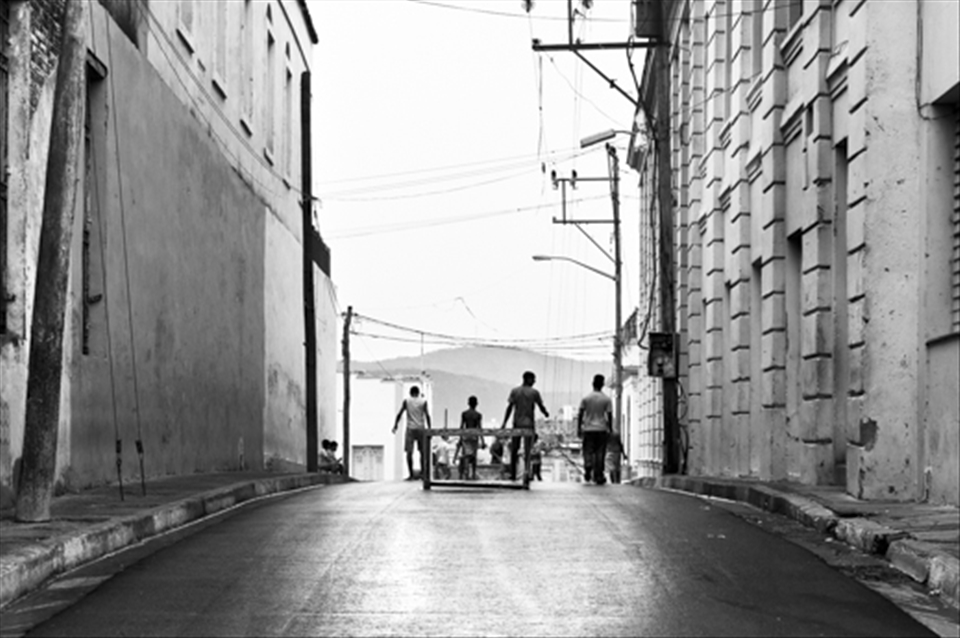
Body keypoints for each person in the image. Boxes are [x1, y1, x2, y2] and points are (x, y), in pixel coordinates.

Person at [501, 371, 550, 481]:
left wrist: (504, 422)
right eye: (533, 379)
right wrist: (546, 413)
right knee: (528, 451)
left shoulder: (515, 391)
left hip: (517, 423)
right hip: (529, 424)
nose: (534, 381)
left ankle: (513, 474)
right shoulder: (534, 393)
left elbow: (510, 408)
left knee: (514, 449)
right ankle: (527, 473)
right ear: (527, 379)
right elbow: (541, 406)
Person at [578, 374, 612, 486]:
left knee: (588, 450)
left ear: (593, 384)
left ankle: (588, 465)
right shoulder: (606, 399)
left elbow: (580, 414)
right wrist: (610, 428)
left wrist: (579, 428)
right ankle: (598, 475)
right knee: (600, 452)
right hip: (601, 429)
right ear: (602, 385)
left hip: (588, 429)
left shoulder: (586, 398)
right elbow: (609, 415)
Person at [392, 385, 432, 480]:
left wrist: (395, 425)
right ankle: (423, 473)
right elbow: (427, 416)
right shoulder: (423, 401)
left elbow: (400, 414)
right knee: (422, 452)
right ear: (418, 393)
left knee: (409, 453)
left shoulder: (407, 401)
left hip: (410, 428)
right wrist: (429, 428)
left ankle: (411, 474)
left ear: (410, 392)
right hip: (421, 428)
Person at [456, 396, 485, 480]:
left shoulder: (464, 414)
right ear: (476, 404)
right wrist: (483, 441)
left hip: (466, 436)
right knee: (473, 456)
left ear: (468, 403)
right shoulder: (478, 415)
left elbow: (461, 427)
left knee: (466, 456)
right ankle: (473, 473)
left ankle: (466, 473)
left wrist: (460, 439)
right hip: (474, 437)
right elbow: (480, 428)